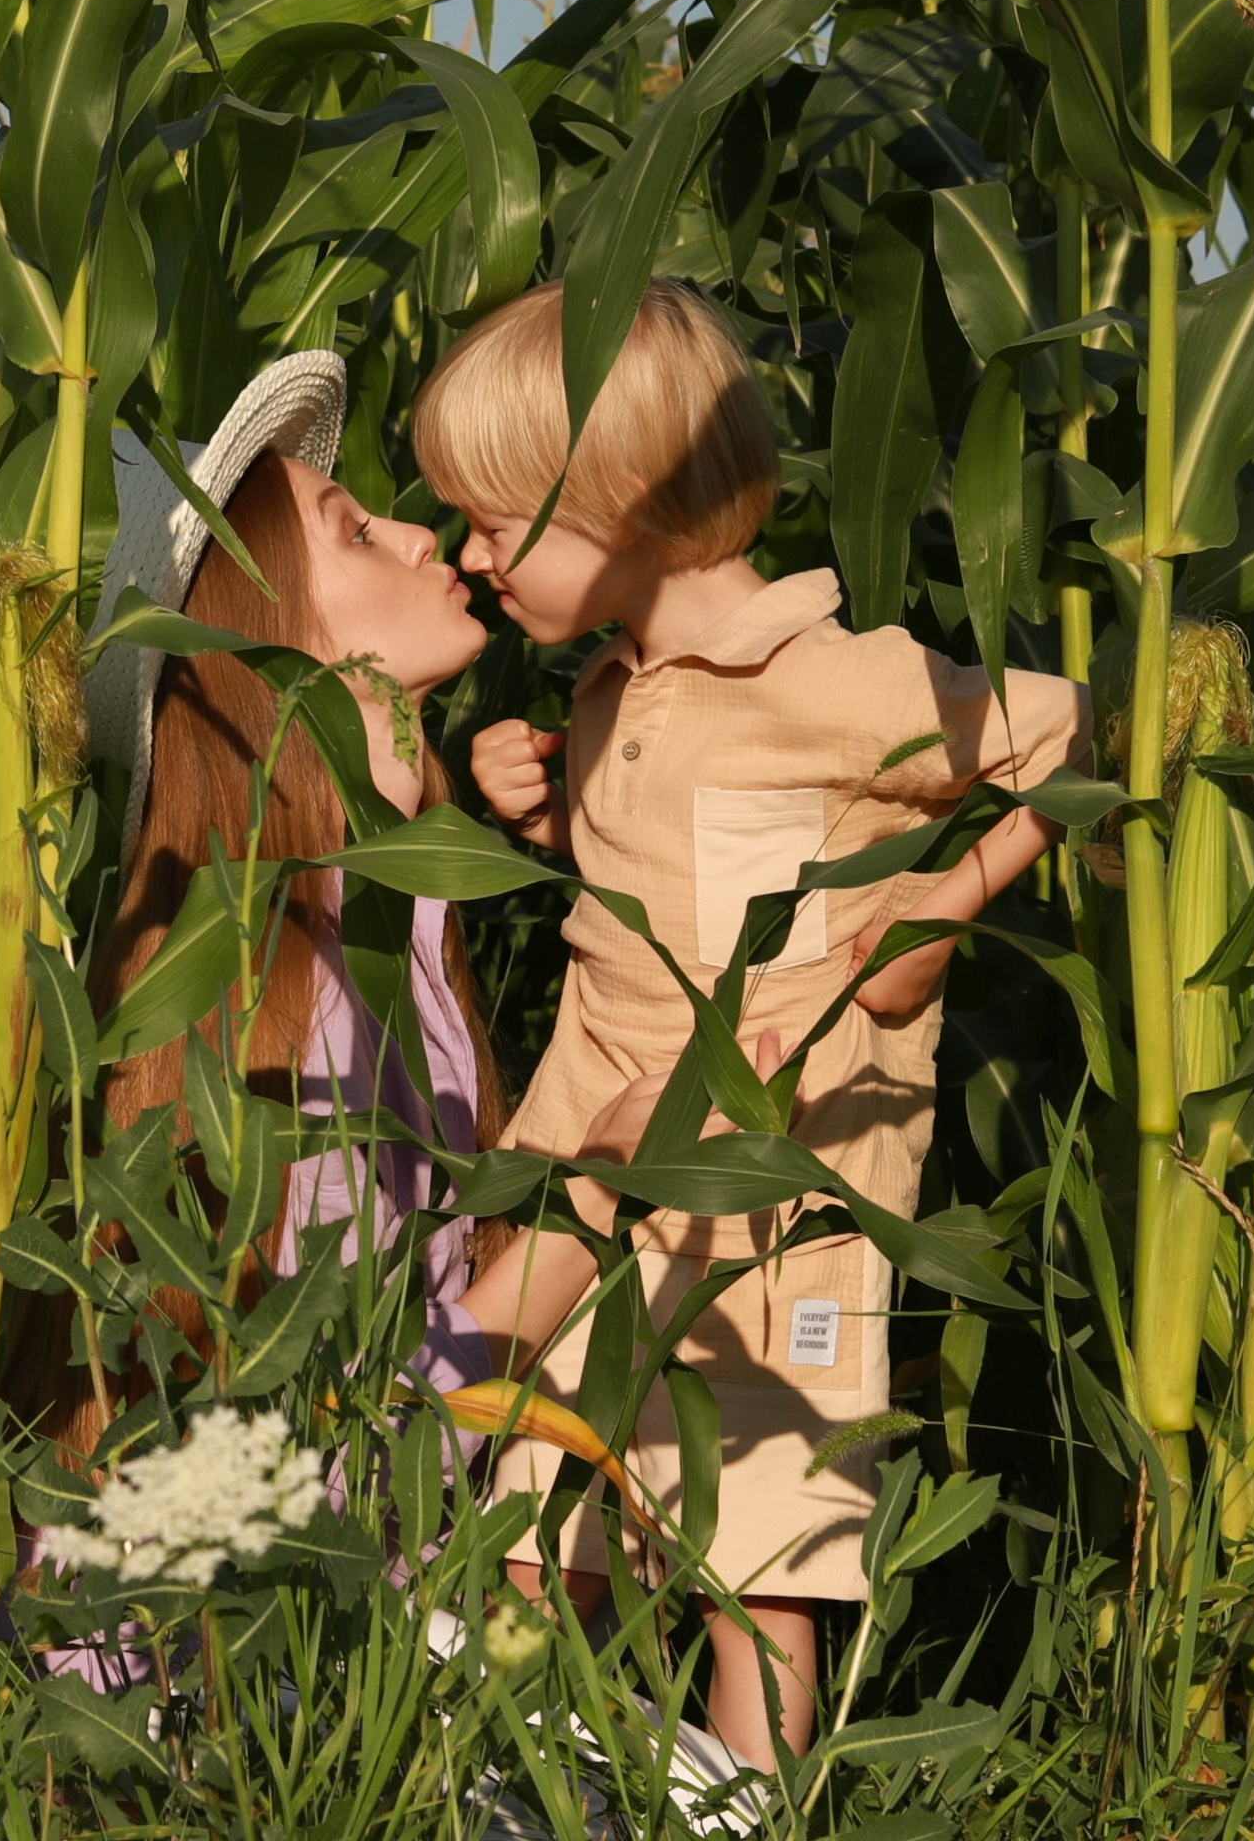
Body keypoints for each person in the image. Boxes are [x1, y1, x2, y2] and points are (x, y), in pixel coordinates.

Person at [412, 280, 1091, 1762]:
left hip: (769, 1187)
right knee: (536, 1513)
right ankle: (535, 1779)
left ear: (622, 504)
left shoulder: (829, 681)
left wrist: (939, 912)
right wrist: (534, 810)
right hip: (595, 1167)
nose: (467, 556)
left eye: (492, 522)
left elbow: (1063, 730)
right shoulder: (615, 685)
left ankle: (746, 1807)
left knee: (751, 1562)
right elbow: (678, 889)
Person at [2, 352, 666, 1489]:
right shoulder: (292, 989)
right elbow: (356, 1441)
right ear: (263, 637)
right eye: (354, 532)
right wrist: (601, 1189)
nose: (416, 537)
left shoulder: (373, 922)